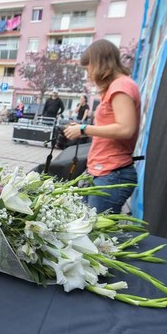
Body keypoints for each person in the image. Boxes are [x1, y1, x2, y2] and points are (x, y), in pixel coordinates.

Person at [64, 39, 141, 214]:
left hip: (112, 174)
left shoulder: (121, 86)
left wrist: (84, 129)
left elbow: (125, 129)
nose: (88, 74)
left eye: (88, 68)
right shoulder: (118, 86)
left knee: (95, 237)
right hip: (105, 172)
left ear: (99, 63)